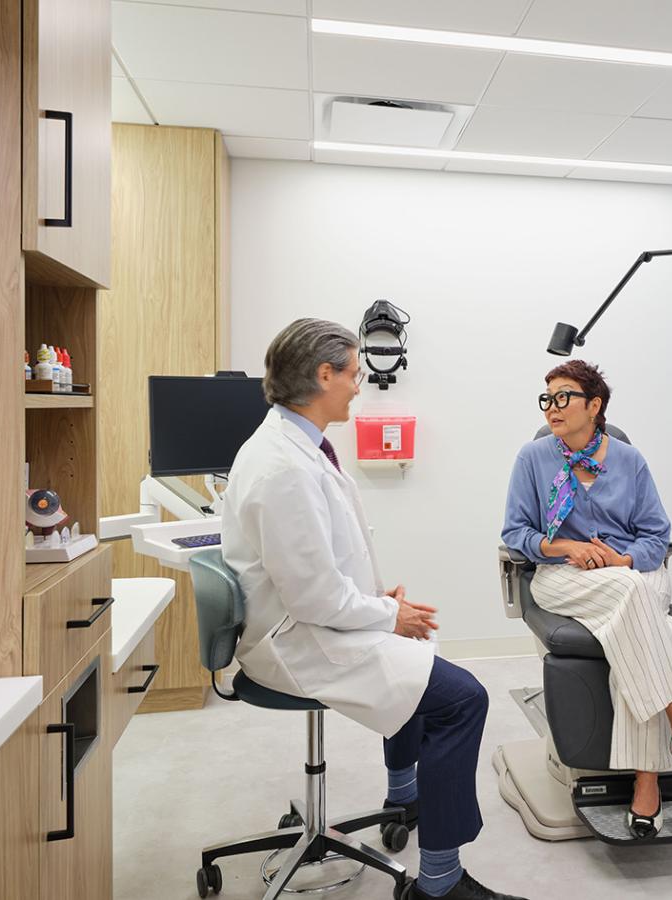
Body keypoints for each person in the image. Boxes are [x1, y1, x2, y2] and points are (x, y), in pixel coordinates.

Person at [223, 318, 525, 900]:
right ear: (323, 373)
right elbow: (312, 596)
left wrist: (377, 603)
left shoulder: (293, 445)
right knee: (463, 699)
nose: (359, 385)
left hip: (307, 621)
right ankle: (439, 884)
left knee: (414, 663)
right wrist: (388, 616)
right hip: (297, 642)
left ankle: (405, 797)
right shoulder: (283, 467)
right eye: (354, 373)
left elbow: (316, 565)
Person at [501, 360, 672, 839]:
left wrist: (624, 561)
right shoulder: (533, 458)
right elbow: (515, 532)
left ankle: (648, 781)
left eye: (564, 396)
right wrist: (566, 545)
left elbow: (656, 534)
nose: (553, 407)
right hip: (562, 576)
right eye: (546, 398)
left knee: (636, 606)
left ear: (595, 405)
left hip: (634, 573)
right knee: (662, 628)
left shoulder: (630, 461)